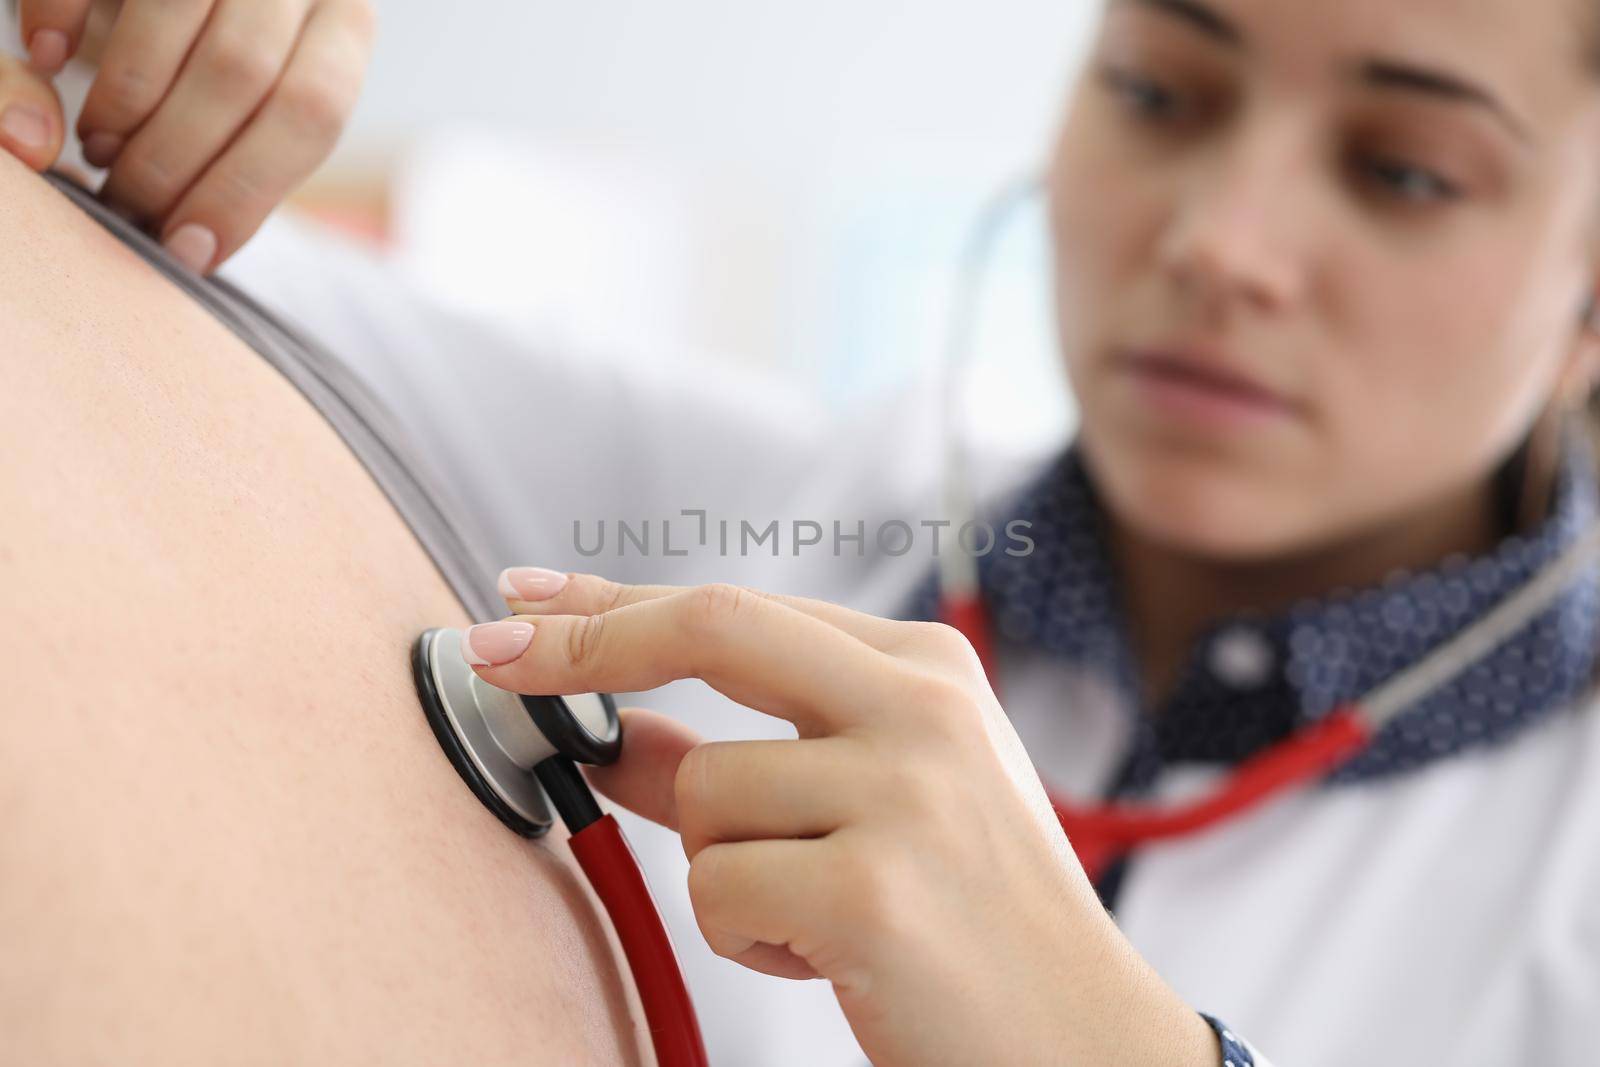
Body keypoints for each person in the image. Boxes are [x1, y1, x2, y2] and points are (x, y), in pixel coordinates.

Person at [8, 0, 1600, 1062]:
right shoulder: (721, 507)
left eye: (1405, 171)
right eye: (1157, 95)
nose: (1221, 241)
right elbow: (120, 238)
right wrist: (129, 57)